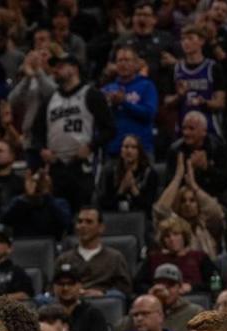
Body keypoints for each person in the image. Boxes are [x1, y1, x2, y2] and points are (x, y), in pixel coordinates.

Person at [38, 53, 115, 211]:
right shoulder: (49, 99)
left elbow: (110, 129)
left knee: (83, 211)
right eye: (54, 68)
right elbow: (36, 131)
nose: (55, 71)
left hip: (82, 165)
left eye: (60, 67)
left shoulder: (91, 94)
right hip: (56, 165)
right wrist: (42, 150)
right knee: (57, 214)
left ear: (74, 69)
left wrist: (91, 146)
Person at [59, 207, 133, 298]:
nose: (83, 226)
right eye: (80, 221)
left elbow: (125, 290)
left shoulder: (115, 258)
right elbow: (52, 288)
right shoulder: (64, 259)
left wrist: (104, 294)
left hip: (103, 305)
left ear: (101, 228)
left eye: (89, 222)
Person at [102, 46, 158, 157]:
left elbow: (149, 114)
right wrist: (109, 105)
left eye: (127, 60)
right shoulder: (107, 89)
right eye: (120, 60)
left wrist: (124, 103)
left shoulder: (147, 85)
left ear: (136, 64)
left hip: (141, 150)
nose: (123, 64)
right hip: (114, 149)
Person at [48, 261, 111, 331]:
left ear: (80, 285)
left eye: (71, 283)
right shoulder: (45, 314)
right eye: (60, 283)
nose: (65, 288)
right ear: (54, 287)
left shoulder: (93, 314)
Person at [97, 134, 159, 214]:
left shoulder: (150, 174)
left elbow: (150, 208)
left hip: (141, 219)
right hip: (115, 218)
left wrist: (134, 189)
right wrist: (121, 190)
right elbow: (104, 205)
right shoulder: (111, 173)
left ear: (139, 152)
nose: (129, 151)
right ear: (121, 151)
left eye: (133, 147)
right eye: (126, 147)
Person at [149, 264, 204, 331]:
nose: (165, 290)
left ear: (180, 288)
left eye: (170, 285)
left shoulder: (195, 312)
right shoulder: (144, 312)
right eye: (160, 284)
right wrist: (148, 301)